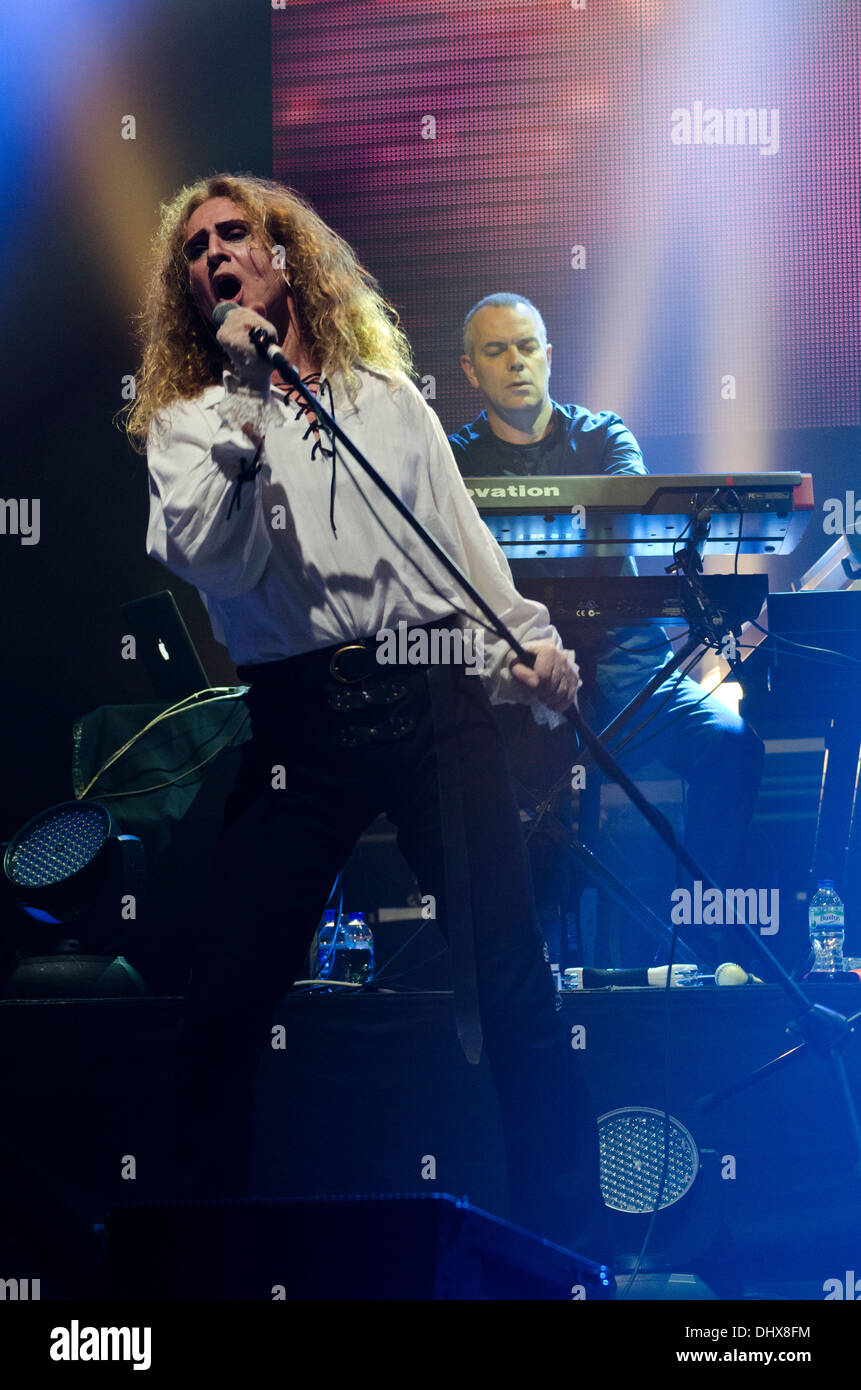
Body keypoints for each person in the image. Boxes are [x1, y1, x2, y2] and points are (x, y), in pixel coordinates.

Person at [123, 176, 606, 1257]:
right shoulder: (191, 423)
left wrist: (522, 640)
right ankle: (187, 1273)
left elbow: (457, 547)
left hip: (434, 701)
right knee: (229, 997)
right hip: (302, 721)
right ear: (189, 288)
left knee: (514, 980)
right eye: (195, 247)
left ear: (284, 256)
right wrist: (248, 401)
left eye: (235, 234)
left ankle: (573, 1262)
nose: (214, 254)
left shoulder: (390, 399)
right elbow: (211, 552)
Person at [449, 293, 765, 968]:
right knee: (507, 810)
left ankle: (700, 943)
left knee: (731, 744)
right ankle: (525, 976)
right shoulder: (454, 458)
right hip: (522, 690)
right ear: (470, 370)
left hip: (628, 676)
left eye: (527, 346)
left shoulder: (602, 435)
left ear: (549, 356)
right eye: (496, 350)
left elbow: (625, 513)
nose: (515, 362)